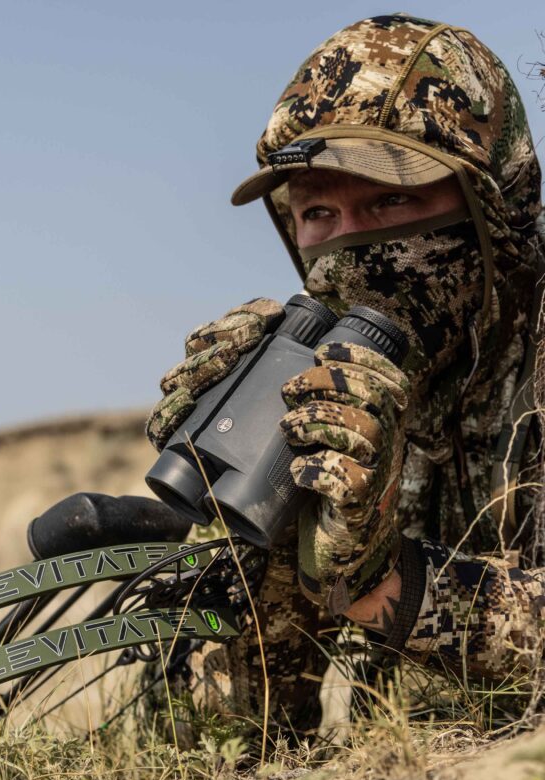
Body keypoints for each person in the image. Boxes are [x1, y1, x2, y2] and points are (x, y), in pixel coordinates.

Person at [146, 13, 545, 739]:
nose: (347, 248)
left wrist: (392, 586)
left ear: (494, 210)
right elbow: (226, 744)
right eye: (318, 212)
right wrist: (246, 518)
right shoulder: (331, 365)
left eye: (392, 200)